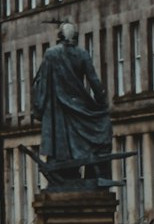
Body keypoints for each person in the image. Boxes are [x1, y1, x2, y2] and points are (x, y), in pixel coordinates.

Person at [32, 22, 112, 185]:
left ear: (60, 37)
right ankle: (83, 170)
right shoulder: (82, 54)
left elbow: (41, 83)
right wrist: (102, 103)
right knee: (100, 128)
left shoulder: (51, 54)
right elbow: (94, 81)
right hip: (78, 106)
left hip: (58, 108)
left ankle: (68, 170)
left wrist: (39, 105)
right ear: (75, 37)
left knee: (60, 142)